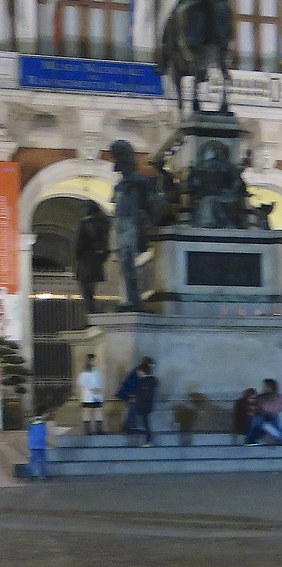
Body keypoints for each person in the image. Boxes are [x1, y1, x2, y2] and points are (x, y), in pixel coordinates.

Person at [110, 140, 155, 312]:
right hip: (122, 223)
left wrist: (146, 221)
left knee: (132, 263)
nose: (117, 164)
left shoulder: (139, 181)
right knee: (125, 264)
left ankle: (136, 299)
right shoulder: (122, 184)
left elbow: (150, 204)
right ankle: (130, 297)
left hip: (132, 223)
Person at [74, 202, 111, 314]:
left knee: (86, 289)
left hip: (86, 260)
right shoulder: (104, 224)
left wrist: (78, 254)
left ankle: (91, 313)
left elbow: (78, 244)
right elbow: (106, 246)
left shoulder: (85, 223)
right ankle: (92, 312)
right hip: (96, 260)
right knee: (90, 289)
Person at [246, 378, 282, 445]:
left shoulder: (280, 397)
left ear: (272, 387)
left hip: (277, 421)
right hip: (266, 421)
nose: (265, 388)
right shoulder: (260, 398)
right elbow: (251, 405)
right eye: (264, 387)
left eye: (267, 386)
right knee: (260, 421)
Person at [115, 357, 155, 436]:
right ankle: (128, 426)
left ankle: (129, 426)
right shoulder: (138, 371)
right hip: (128, 394)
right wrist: (132, 395)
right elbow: (133, 384)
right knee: (132, 408)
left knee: (133, 408)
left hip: (130, 394)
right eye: (151, 365)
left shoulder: (138, 371)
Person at [77, 353, 105, 435]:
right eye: (93, 360)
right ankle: (87, 430)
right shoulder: (84, 372)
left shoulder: (97, 371)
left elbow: (99, 381)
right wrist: (91, 388)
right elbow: (81, 382)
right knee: (87, 412)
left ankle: (99, 429)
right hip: (88, 395)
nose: (95, 362)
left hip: (97, 394)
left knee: (98, 411)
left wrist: (98, 388)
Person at [135, 362, 159, 447]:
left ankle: (148, 440)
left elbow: (144, 395)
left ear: (143, 371)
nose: (137, 373)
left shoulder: (145, 381)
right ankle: (147, 440)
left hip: (145, 406)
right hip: (145, 406)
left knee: (146, 424)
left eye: (139, 371)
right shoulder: (148, 381)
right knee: (145, 424)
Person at [26, 409, 48, 480]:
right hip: (41, 444)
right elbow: (44, 434)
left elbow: (29, 433)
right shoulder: (42, 423)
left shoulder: (31, 423)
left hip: (33, 444)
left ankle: (29, 474)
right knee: (42, 460)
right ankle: (42, 475)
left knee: (33, 460)